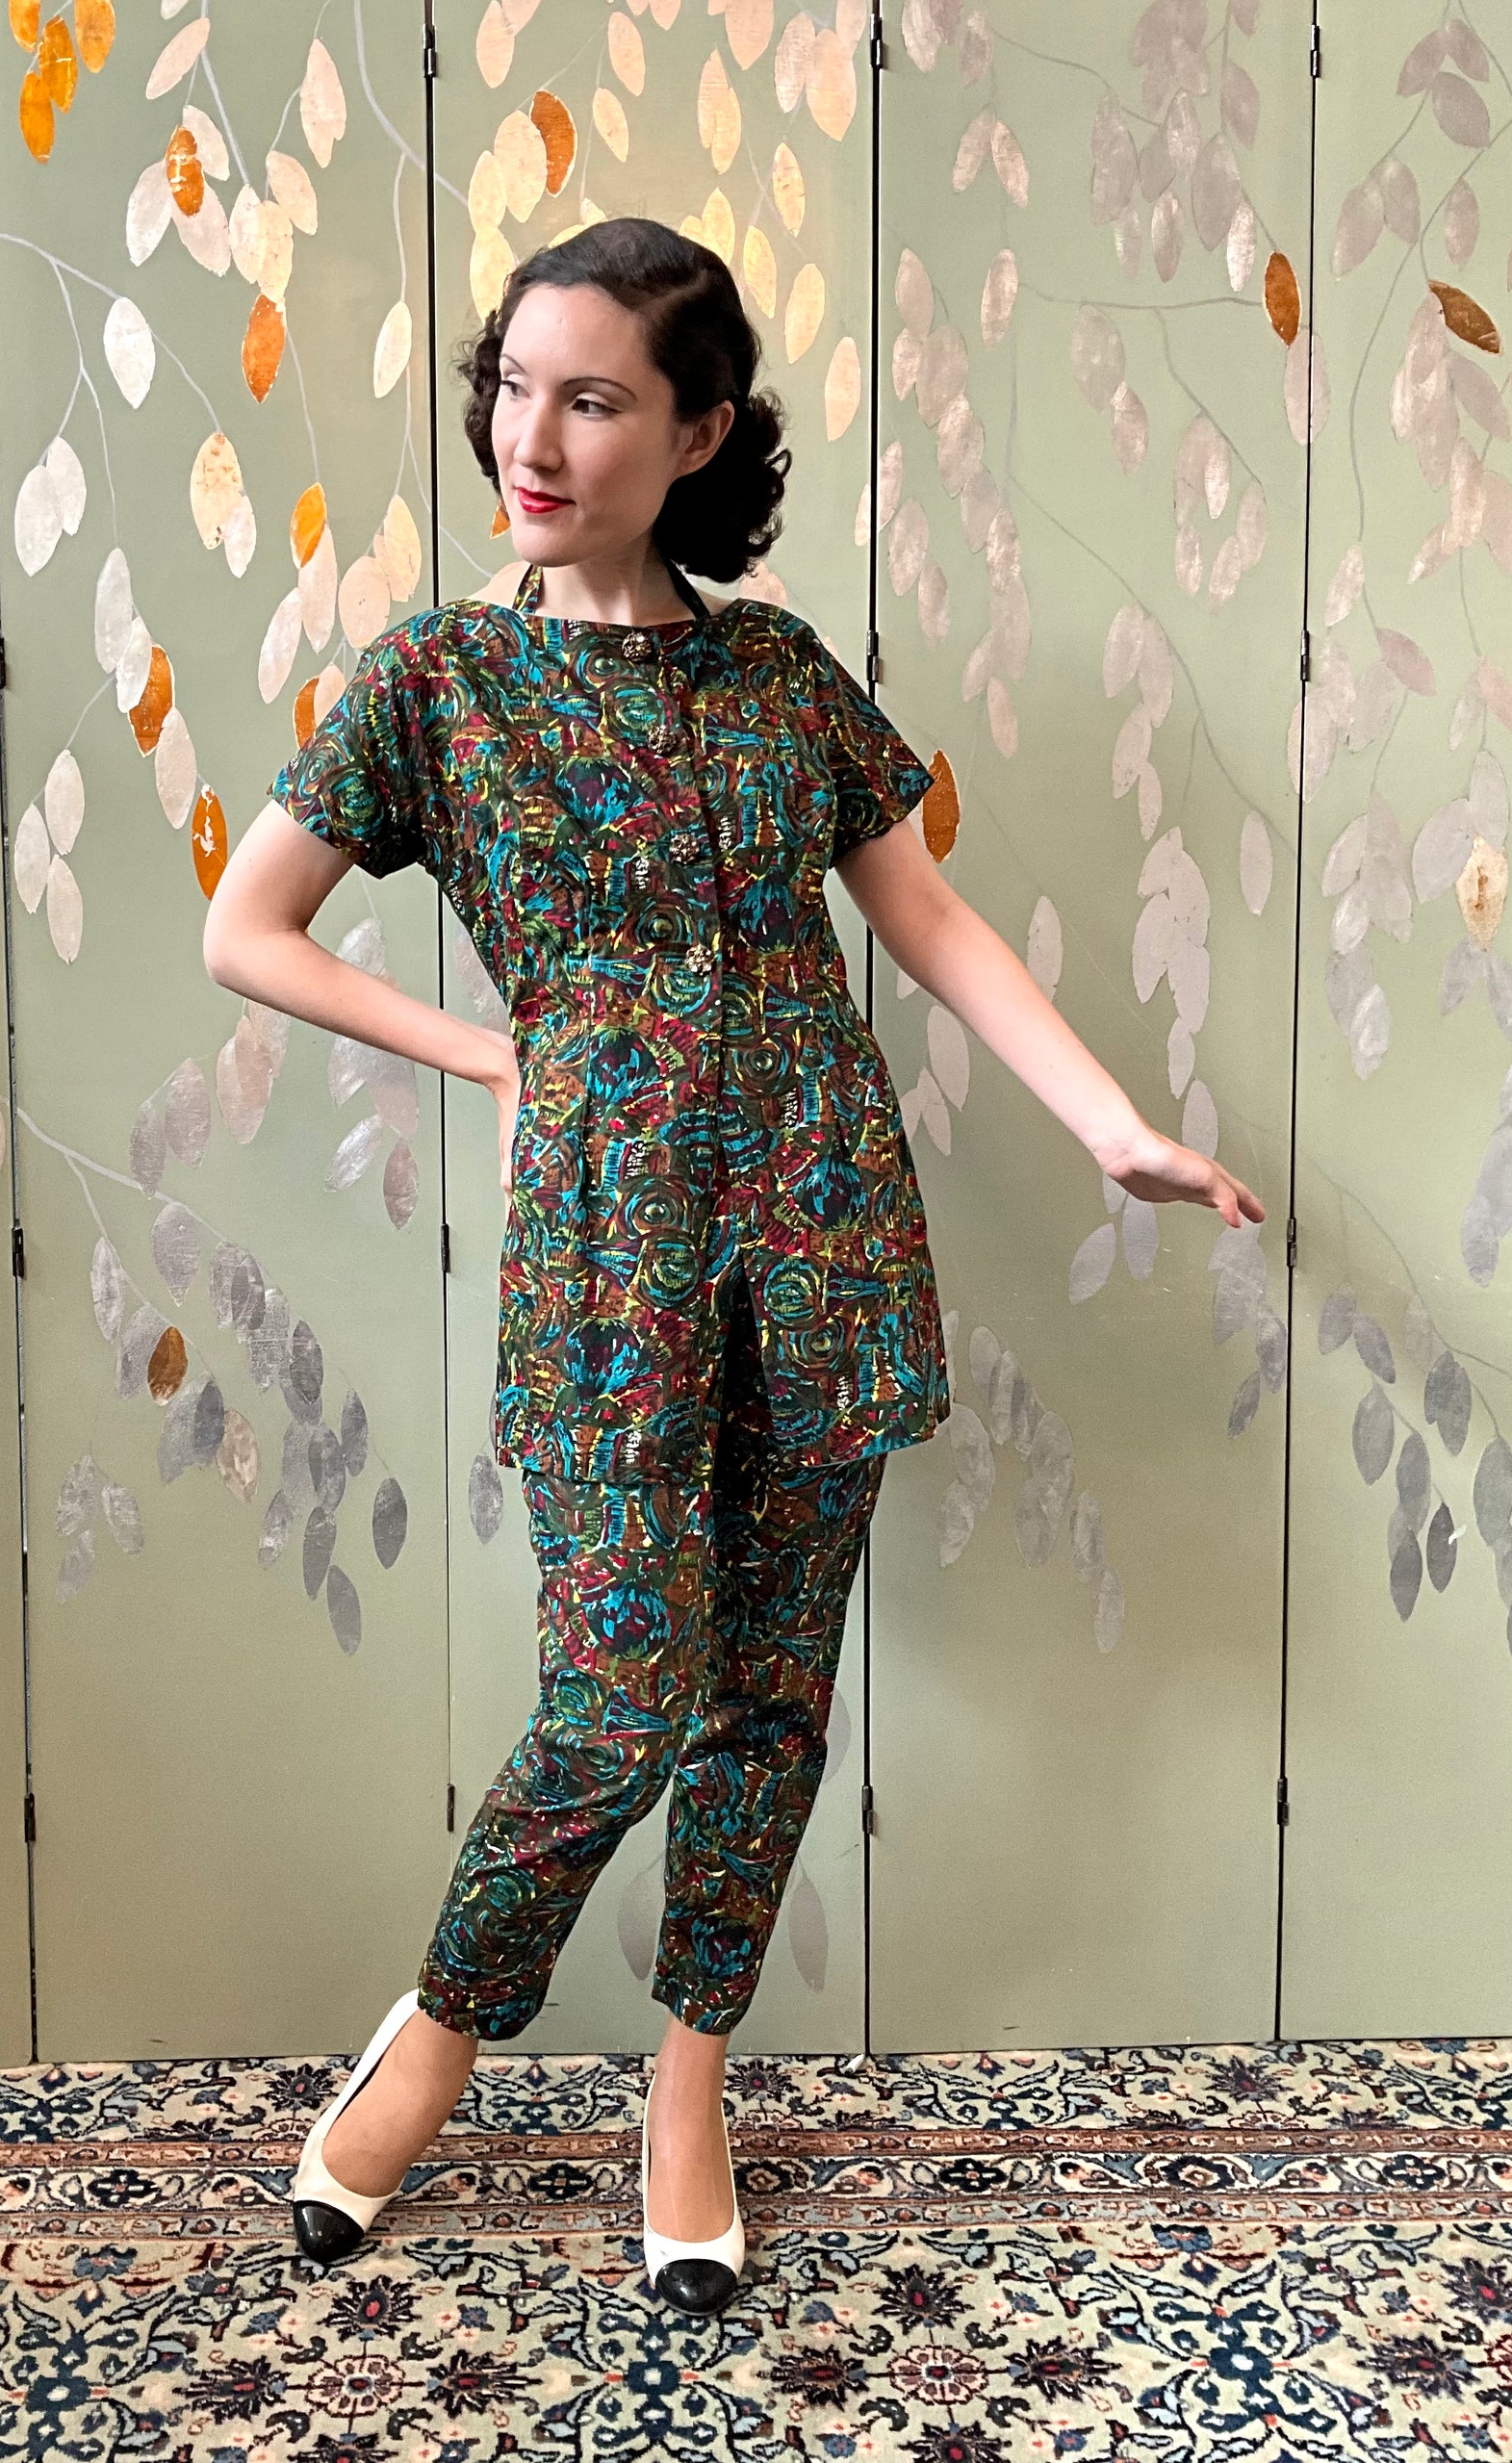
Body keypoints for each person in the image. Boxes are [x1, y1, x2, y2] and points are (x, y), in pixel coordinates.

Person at [202, 217, 1265, 2316]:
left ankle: (687, 2086)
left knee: (770, 1696)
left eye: (591, 399)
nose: (532, 439)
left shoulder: (779, 678)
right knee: (618, 1695)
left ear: (694, 433)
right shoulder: (436, 682)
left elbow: (924, 916)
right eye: (513, 387)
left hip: (823, 1225)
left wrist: (1108, 1124)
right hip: (605, 1247)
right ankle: (439, 2035)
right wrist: (499, 1053)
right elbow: (247, 929)